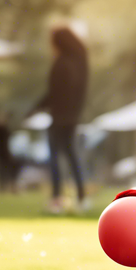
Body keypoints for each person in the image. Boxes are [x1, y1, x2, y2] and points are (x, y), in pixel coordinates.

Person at [28, 25, 89, 213]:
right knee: (72, 156)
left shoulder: (62, 63)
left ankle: (57, 198)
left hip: (60, 118)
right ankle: (81, 197)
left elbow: (54, 94)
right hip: (71, 118)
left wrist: (35, 109)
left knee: (54, 158)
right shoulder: (79, 63)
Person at [0, 109, 18, 194]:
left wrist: (6, 117)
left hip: (7, 152)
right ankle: (1, 188)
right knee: (0, 172)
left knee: (11, 170)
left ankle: (12, 187)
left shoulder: (5, 129)